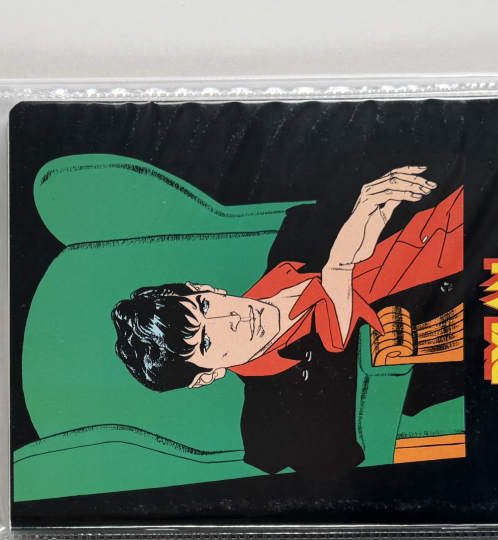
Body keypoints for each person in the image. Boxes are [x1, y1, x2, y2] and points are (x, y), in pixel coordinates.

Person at [111, 167, 463, 479]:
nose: (231, 318)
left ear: (206, 288)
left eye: (205, 306)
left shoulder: (296, 235)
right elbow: (335, 465)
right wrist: (338, 270)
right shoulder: (272, 421)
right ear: (207, 375)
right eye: (206, 341)